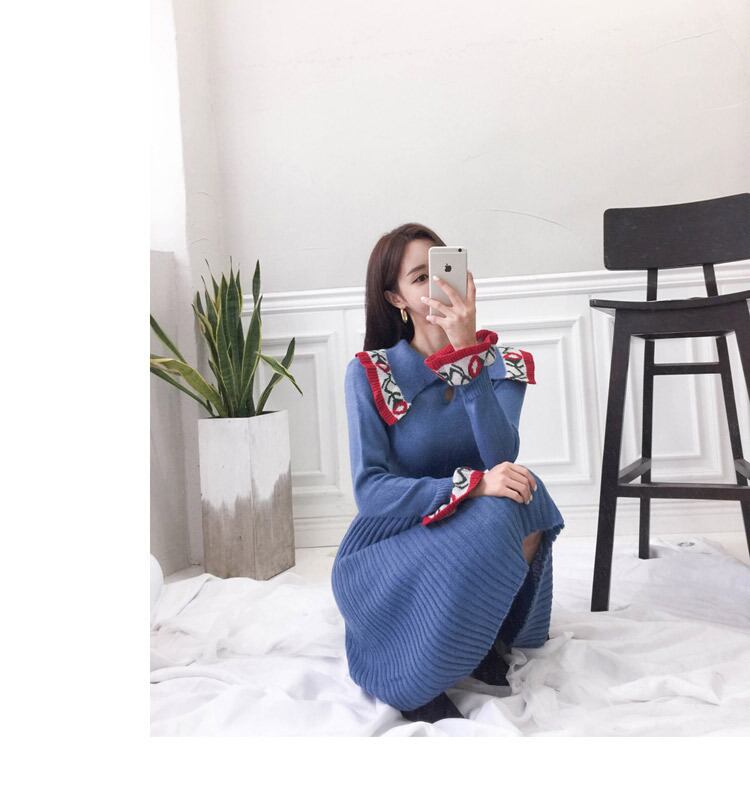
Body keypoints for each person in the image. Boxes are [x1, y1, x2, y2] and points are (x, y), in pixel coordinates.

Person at [330, 222, 566, 724]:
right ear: (396, 298)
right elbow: (371, 491)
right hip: (390, 543)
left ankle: (478, 637)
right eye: (420, 278)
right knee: (500, 501)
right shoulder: (372, 372)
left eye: (442, 270)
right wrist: (472, 486)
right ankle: (417, 680)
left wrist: (466, 355)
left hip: (473, 534)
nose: (437, 286)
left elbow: (501, 454)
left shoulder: (502, 364)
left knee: (526, 492)